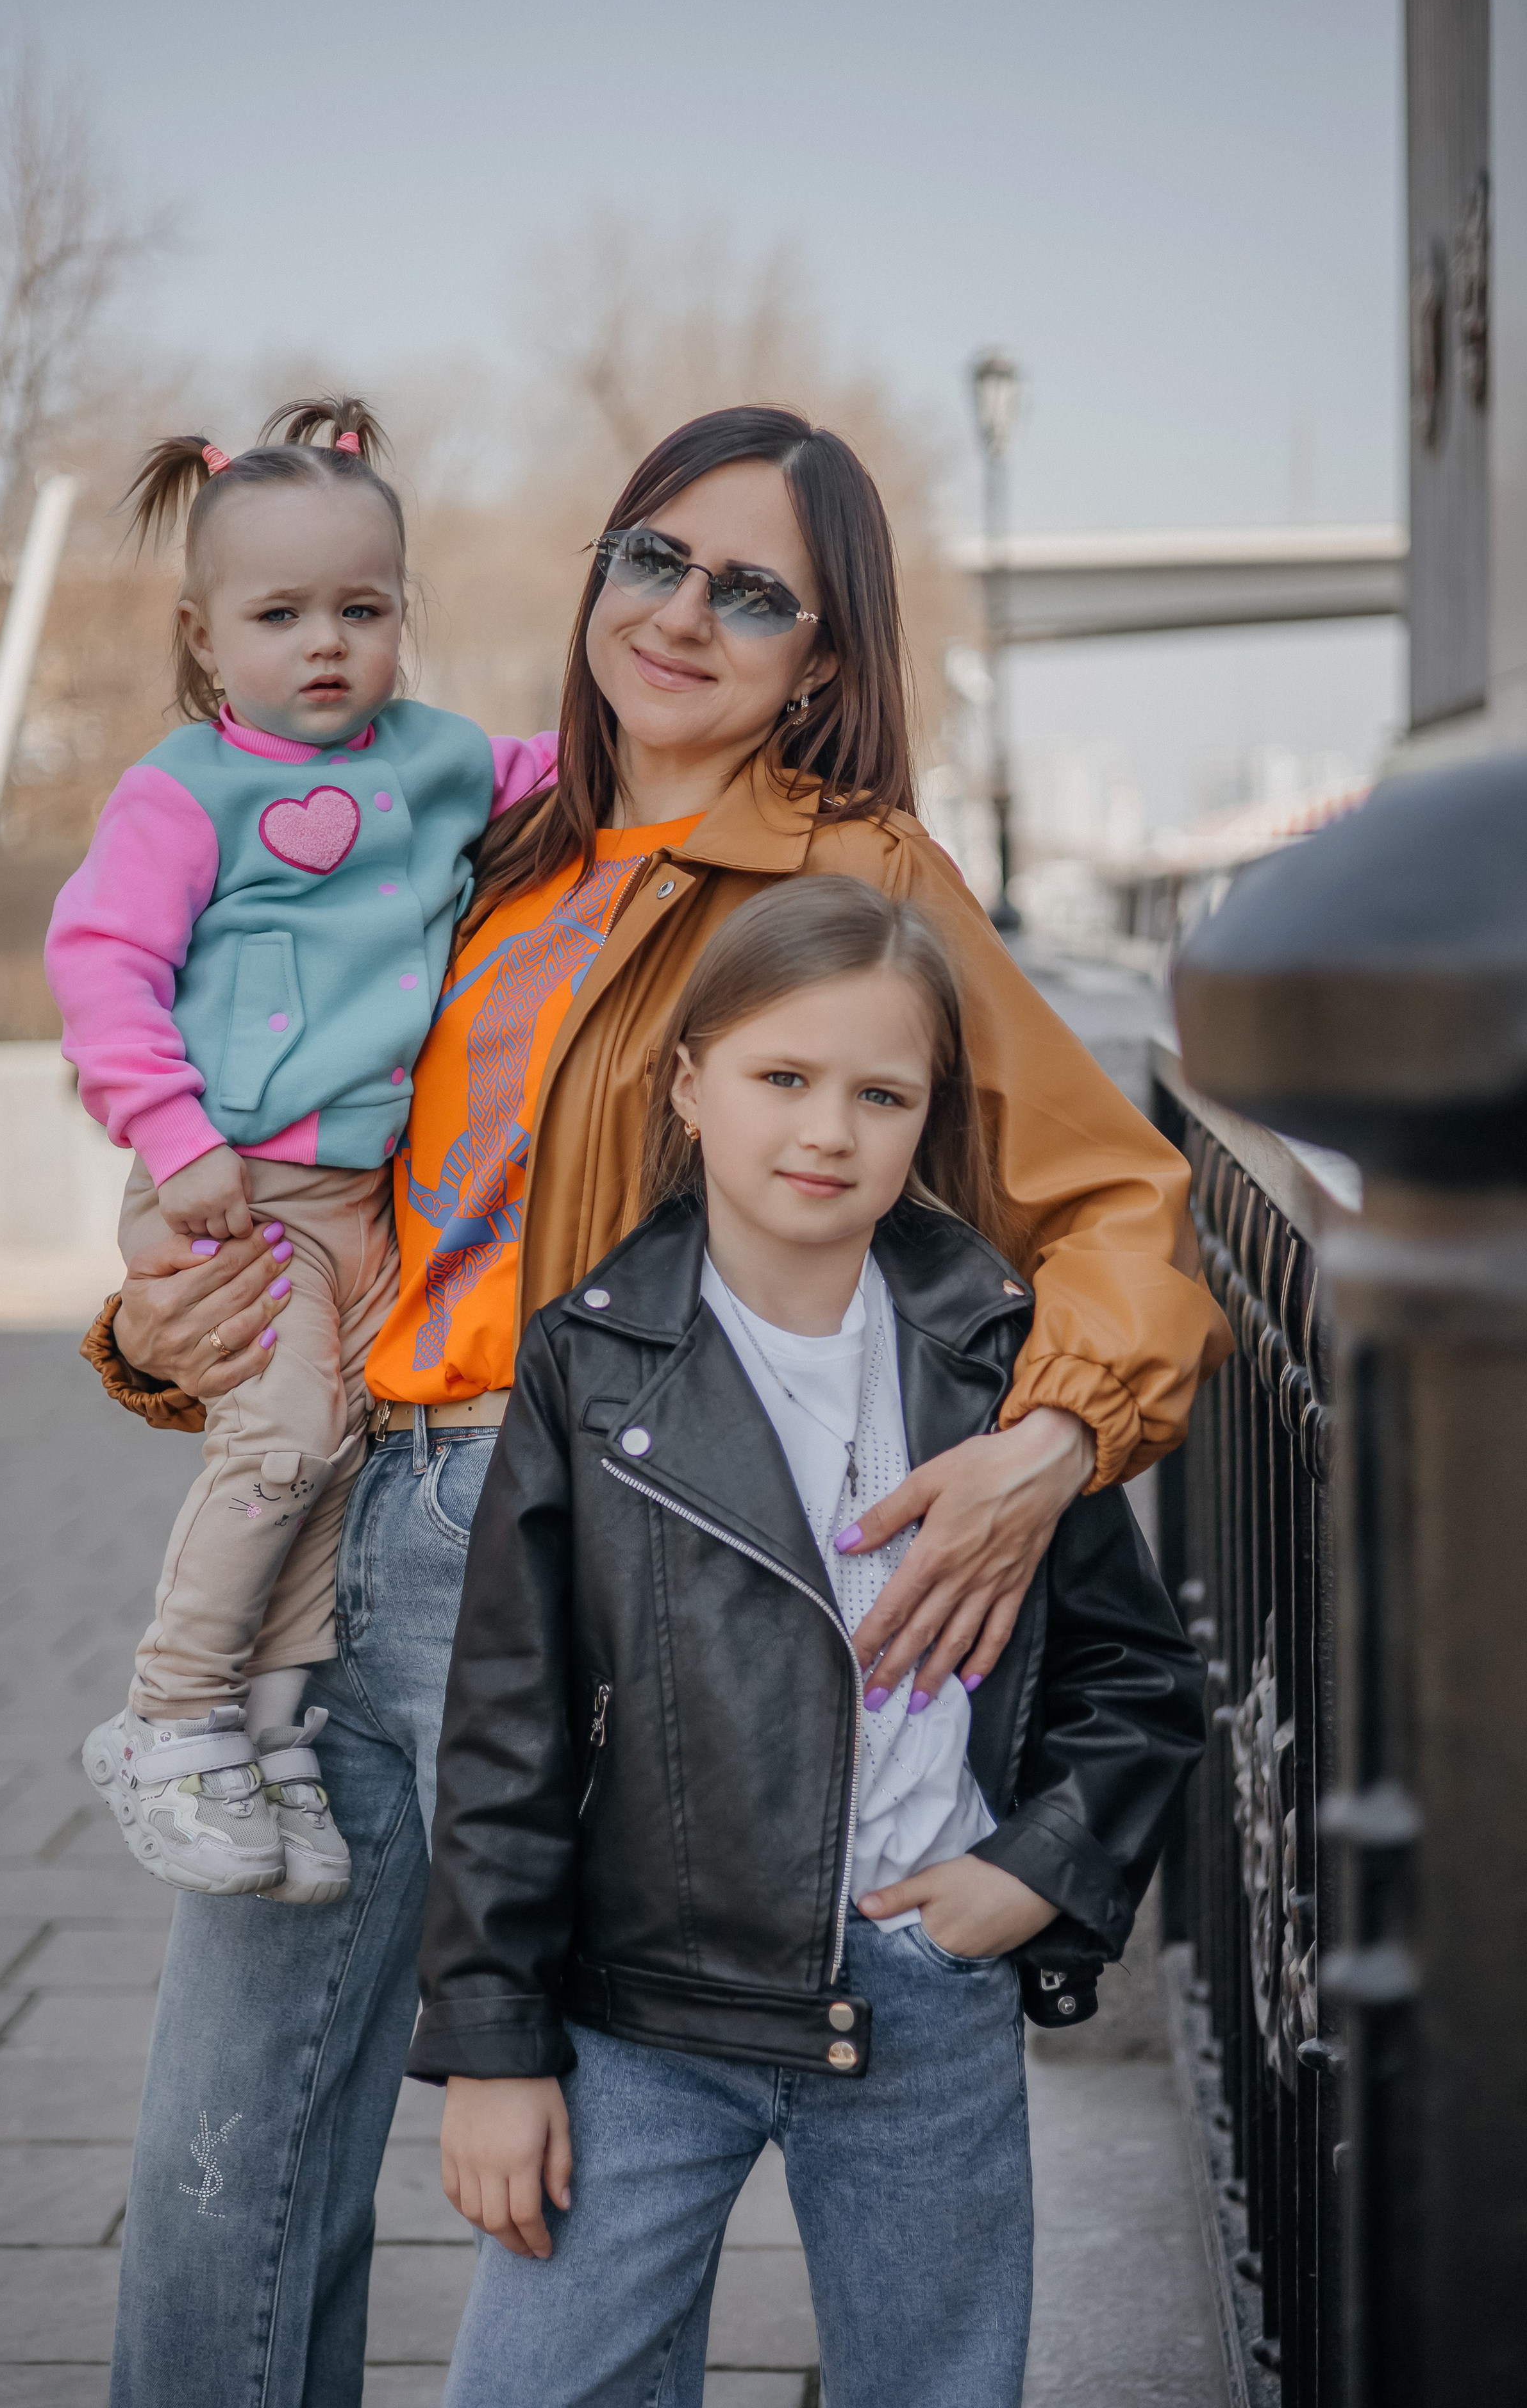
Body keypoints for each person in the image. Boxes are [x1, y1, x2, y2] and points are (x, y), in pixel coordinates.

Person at [86, 405, 1230, 2407]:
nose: (686, 611)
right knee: (225, 2166)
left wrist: (1052, 1445)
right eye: (652, 557)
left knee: (592, 2192)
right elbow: (330, 1165)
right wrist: (153, 1331)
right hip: (353, 1519)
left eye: (756, 589)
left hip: (582, 1579)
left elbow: (1117, 1197)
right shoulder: (480, 837)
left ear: (829, 657)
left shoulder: (853, 877)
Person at [418, 878, 1205, 2408]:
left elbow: (1135, 1675)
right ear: (689, 1086)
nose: (826, 1130)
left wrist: (1025, 1880)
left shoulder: (1000, 1361)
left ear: (928, 1118)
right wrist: (492, 2050)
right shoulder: (585, 1364)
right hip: (642, 2011)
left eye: (877, 1093)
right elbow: (503, 1727)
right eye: (782, 1078)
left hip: (922, 1995)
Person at [45, 396, 553, 1905]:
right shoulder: (178, 792)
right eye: (279, 615)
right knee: (270, 1444)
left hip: (359, 1199)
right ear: (203, 637)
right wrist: (173, 1133)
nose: (324, 644)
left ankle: (268, 1737)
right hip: (231, 1182)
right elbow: (100, 971)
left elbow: (564, 770)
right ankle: (167, 1717)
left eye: (363, 610)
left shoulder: (438, 761)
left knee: (332, 1456)